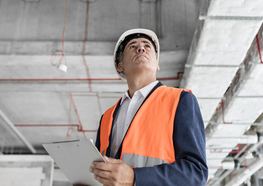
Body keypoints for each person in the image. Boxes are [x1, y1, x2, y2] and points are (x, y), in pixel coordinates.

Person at [88, 28, 208, 186]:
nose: (141, 48)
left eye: (147, 46)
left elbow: (196, 172)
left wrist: (135, 178)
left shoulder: (180, 100)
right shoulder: (106, 118)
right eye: (132, 46)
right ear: (120, 66)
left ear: (157, 64)